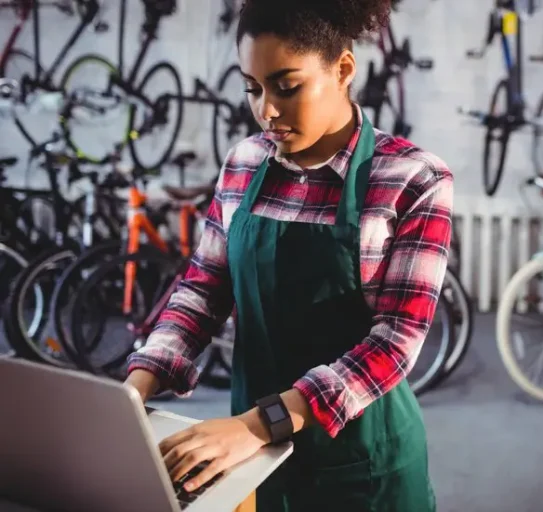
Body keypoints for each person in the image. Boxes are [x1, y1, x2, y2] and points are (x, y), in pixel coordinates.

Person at [124, 0, 453, 509]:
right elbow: (204, 287)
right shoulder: (244, 161)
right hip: (252, 454)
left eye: (287, 86)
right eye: (252, 88)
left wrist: (259, 425)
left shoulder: (412, 178)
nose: (266, 111)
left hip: (363, 461)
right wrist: (132, 392)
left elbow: (396, 341)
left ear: (343, 68)